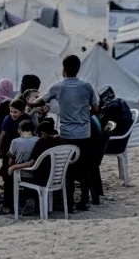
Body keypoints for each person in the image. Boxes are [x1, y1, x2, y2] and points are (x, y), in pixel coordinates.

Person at [31, 55, 99, 211]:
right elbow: (95, 109)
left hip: (67, 135)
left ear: (63, 69)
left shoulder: (58, 87)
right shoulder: (87, 86)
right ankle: (84, 200)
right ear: (78, 69)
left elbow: (41, 101)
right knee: (84, 168)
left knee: (68, 168)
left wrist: (29, 103)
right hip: (84, 134)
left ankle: (69, 202)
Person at [0, 119, 38, 215]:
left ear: (19, 130)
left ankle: (7, 207)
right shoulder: (38, 140)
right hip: (36, 174)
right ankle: (30, 199)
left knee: (7, 178)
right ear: (33, 130)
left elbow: (11, 161)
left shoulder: (15, 141)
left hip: (21, 173)